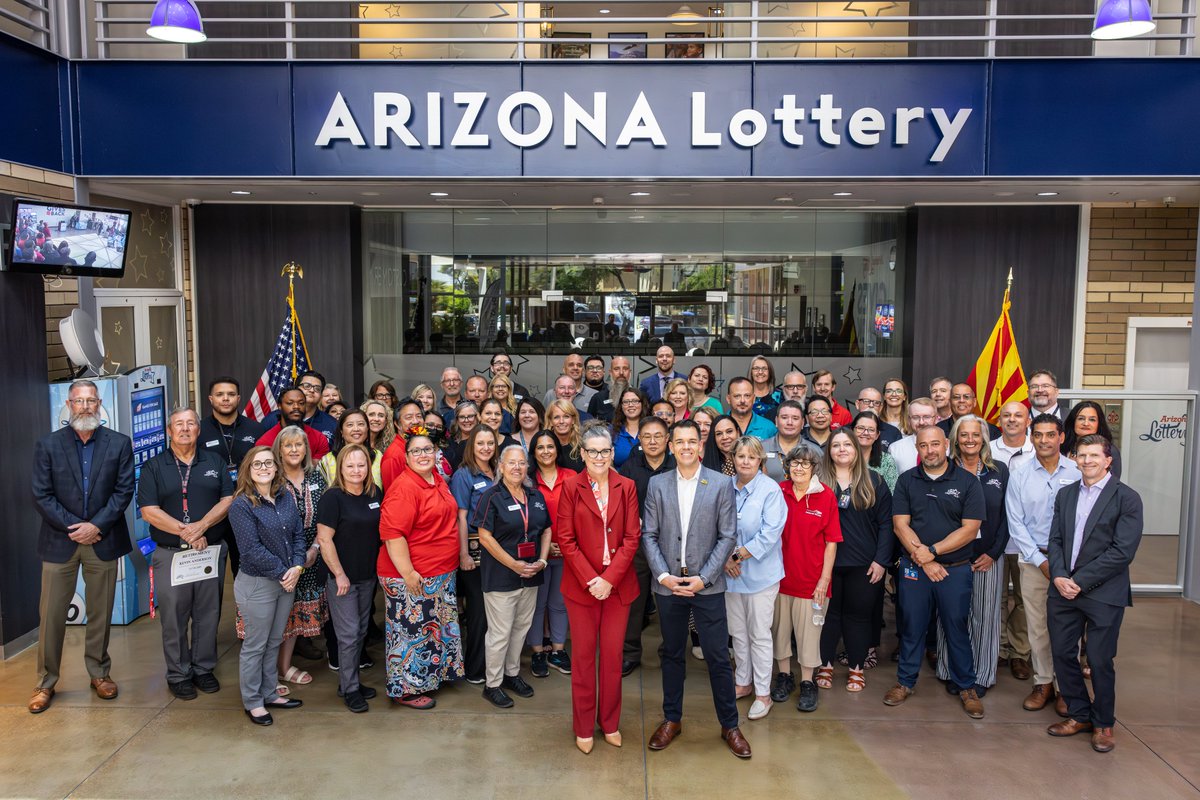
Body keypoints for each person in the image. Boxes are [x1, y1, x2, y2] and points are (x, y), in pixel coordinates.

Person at [642, 420, 750, 758]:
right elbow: (649, 535)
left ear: (701, 446)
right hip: (669, 587)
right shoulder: (657, 484)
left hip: (708, 586)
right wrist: (664, 576)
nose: (686, 447)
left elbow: (727, 536)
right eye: (680, 441)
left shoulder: (720, 483)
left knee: (718, 657)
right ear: (671, 446)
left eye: (692, 441)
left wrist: (705, 577)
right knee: (673, 654)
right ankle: (671, 719)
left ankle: (730, 725)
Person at [29, 380, 135, 714]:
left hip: (103, 539)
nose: (85, 406)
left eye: (91, 400)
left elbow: (123, 491)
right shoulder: (48, 445)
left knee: (101, 613)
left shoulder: (119, 443)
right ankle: (45, 682)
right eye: (79, 401)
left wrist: (96, 526)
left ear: (99, 404)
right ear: (69, 405)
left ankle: (99, 673)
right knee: (51, 615)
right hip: (60, 541)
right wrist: (76, 528)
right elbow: (41, 494)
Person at [1045, 435, 1143, 754]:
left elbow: (1122, 551)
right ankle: (1079, 714)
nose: (1087, 460)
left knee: (1100, 660)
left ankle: (1103, 723)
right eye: (1082, 455)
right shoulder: (1066, 494)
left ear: (1108, 460)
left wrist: (1079, 580)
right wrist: (1059, 575)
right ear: (1075, 458)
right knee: (1062, 653)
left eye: (1094, 455)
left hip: (1104, 592)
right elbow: (1055, 540)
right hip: (1063, 590)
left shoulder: (1127, 498)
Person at [885, 426, 986, 719]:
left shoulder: (967, 482)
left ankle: (966, 686)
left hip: (955, 570)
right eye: (923, 445)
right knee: (912, 626)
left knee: (957, 627)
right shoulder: (907, 480)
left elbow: (970, 529)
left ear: (946, 445)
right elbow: (900, 525)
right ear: (917, 448)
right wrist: (925, 560)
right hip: (915, 569)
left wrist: (933, 551)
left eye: (935, 444)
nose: (930, 450)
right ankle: (905, 682)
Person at [556, 424, 642, 754]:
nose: (599, 457)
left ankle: (609, 722)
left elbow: (632, 537)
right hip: (582, 587)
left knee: (612, 656)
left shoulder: (626, 486)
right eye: (592, 451)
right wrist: (593, 579)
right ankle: (583, 727)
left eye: (605, 450)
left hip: (617, 587)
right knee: (582, 658)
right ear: (582, 453)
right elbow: (566, 539)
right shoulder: (570, 487)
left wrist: (609, 579)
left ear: (612, 452)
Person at [139, 408, 234, 700]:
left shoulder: (214, 462)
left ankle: (203, 669)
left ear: (198, 429)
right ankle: (178, 674)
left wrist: (202, 526)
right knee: (174, 617)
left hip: (209, 552)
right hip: (171, 553)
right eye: (178, 424)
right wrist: (188, 532)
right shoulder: (154, 466)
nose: (184, 429)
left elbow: (228, 499)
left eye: (190, 423)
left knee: (208, 613)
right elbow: (149, 511)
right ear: (169, 431)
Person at [378, 429, 465, 708]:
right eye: (416, 451)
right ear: (406, 457)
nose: (423, 455)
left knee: (432, 631)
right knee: (411, 634)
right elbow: (393, 535)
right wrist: (408, 573)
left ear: (436, 452)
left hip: (440, 572)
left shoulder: (436, 479)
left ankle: (431, 677)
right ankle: (406, 689)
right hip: (413, 575)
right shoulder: (404, 488)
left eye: (428, 449)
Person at [1006, 414, 1082, 714]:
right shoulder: (1020, 474)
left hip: (1072, 563)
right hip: (1033, 560)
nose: (1044, 440)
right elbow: (1016, 522)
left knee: (1068, 627)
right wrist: (1040, 561)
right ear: (1031, 437)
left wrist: (1065, 562)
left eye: (1051, 435)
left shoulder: (1077, 471)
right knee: (1037, 626)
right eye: (1038, 435)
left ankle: (1066, 687)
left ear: (1061, 437)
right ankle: (1043, 682)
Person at [228, 446, 306, 726]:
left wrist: (297, 567)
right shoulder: (241, 505)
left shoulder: (285, 497)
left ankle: (270, 692)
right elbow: (251, 551)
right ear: (248, 470)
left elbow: (298, 535)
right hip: (258, 584)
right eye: (257, 464)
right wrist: (286, 572)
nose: (264, 468)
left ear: (276, 467)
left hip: (286, 581)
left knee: (274, 640)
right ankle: (253, 701)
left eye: (269, 463)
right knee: (255, 645)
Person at [935, 416, 1010, 696]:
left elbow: (1008, 517)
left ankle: (981, 675)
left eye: (975, 435)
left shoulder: (998, 471)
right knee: (951, 617)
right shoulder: (944, 470)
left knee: (984, 618)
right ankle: (950, 670)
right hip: (952, 559)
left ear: (983, 439)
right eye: (963, 434)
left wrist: (993, 553)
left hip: (987, 558)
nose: (969, 440)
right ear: (955, 439)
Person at [473, 445, 552, 707]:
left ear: (527, 467)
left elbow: (546, 529)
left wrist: (542, 560)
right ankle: (492, 684)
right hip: (501, 577)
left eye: (521, 463)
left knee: (520, 629)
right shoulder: (491, 496)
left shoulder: (535, 495)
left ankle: (511, 674)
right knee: (500, 633)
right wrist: (514, 565)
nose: (517, 467)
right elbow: (485, 537)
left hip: (531, 574)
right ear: (501, 467)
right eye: (511, 462)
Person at [817, 429, 891, 694]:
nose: (842, 449)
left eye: (847, 444)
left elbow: (886, 525)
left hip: (864, 565)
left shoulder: (874, 481)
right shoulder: (818, 481)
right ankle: (825, 665)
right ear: (829, 451)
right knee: (827, 617)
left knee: (858, 618)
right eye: (836, 445)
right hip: (826, 565)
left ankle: (856, 669)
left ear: (856, 449)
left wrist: (881, 561)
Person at [769, 440, 840, 713]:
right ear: (787, 466)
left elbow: (831, 542)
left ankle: (808, 683)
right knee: (780, 632)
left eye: (805, 463)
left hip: (812, 582)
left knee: (809, 636)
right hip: (779, 579)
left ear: (814, 468)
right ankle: (784, 677)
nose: (799, 468)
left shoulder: (826, 496)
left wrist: (824, 580)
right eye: (795, 463)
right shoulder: (779, 491)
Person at [723, 436, 786, 720]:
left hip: (761, 576)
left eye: (751, 457)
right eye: (741, 456)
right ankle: (743, 682)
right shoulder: (725, 488)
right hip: (731, 576)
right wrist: (726, 559)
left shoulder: (770, 490)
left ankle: (763, 694)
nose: (745, 461)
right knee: (738, 632)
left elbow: (770, 534)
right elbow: (715, 527)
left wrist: (736, 556)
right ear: (733, 459)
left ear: (760, 460)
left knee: (759, 634)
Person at [316, 444, 382, 712]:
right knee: (349, 634)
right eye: (350, 466)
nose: (356, 470)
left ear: (368, 467)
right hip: (342, 579)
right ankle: (351, 689)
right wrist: (339, 574)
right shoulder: (332, 498)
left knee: (361, 631)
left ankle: (349, 682)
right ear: (341, 468)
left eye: (361, 465)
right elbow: (324, 539)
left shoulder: (374, 493)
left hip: (368, 576)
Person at [263, 427, 328, 690]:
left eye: (298, 445)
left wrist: (315, 548)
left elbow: (327, 516)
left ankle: (284, 666)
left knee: (294, 617)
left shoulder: (316, 475)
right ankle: (268, 672)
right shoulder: (271, 478)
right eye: (287, 445)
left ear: (306, 449)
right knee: (274, 617)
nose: (293, 450)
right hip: (279, 558)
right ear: (278, 449)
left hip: (311, 556)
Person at [617, 415, 675, 675]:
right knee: (633, 602)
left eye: (658, 436)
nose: (652, 441)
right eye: (647, 436)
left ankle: (670, 653)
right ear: (639, 439)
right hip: (638, 545)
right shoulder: (630, 467)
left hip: (671, 545)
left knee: (670, 604)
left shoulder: (677, 465)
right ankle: (630, 653)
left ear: (667, 439)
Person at [449, 425, 500, 686]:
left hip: (498, 550)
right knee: (478, 612)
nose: (485, 448)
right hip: (474, 552)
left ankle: (494, 664)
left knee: (495, 612)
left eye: (490, 443)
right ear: (472, 445)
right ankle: (474, 668)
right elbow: (461, 517)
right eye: (480, 443)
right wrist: (463, 554)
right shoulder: (464, 475)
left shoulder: (498, 470)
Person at [200, 376, 266, 575]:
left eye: (230, 394)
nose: (225, 399)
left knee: (244, 567)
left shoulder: (256, 429)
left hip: (248, 507)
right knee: (211, 571)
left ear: (238, 398)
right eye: (220, 394)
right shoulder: (199, 430)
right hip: (211, 509)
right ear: (211, 399)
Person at [528, 430, 576, 677]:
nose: (546, 451)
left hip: (567, 554)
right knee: (537, 606)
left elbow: (581, 515)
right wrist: (544, 548)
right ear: (533, 452)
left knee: (559, 604)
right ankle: (537, 652)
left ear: (557, 449)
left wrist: (567, 545)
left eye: (550, 446)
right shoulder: (527, 481)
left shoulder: (572, 477)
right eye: (540, 447)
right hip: (537, 556)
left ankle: (558, 650)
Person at [263, 371, 337, 448]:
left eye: (317, 388)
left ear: (321, 395)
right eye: (307, 386)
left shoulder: (332, 424)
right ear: (296, 388)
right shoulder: (272, 419)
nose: (312, 390)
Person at [256, 388, 330, 459]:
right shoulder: (264, 442)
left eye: (301, 403)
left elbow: (318, 467)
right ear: (279, 406)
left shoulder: (319, 439)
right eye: (290, 403)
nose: (296, 407)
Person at [319, 409, 381, 488]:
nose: (356, 429)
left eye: (361, 424)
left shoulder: (378, 456)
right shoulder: (327, 460)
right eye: (350, 425)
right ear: (341, 431)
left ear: (367, 428)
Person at [1063, 401, 1123, 480]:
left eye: (1092, 419)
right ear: (1073, 422)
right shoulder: (1061, 447)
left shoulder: (1110, 450)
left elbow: (1112, 482)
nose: (1086, 423)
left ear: (1099, 423)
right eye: (1081, 418)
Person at [887, 397, 939, 473]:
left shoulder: (947, 447)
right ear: (909, 420)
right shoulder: (895, 449)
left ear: (936, 419)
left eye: (926, 417)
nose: (921, 422)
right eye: (916, 417)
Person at [852, 410, 900, 491]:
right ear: (852, 430)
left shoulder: (886, 461)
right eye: (861, 428)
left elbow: (892, 492)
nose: (866, 433)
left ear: (877, 435)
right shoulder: (843, 457)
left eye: (871, 430)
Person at [937, 384, 1002, 440]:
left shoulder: (991, 431)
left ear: (974, 402)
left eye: (966, 397)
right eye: (956, 397)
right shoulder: (939, 429)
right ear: (950, 402)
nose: (961, 400)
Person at [761, 400, 803, 481]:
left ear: (802, 423)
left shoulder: (814, 451)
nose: (789, 422)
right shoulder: (760, 448)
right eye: (784, 417)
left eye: (795, 418)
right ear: (776, 421)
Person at [586, 355, 632, 423]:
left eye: (625, 369)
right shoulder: (598, 398)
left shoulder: (639, 397)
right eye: (616, 369)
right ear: (610, 373)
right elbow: (589, 425)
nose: (621, 373)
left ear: (630, 372)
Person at [611, 388, 651, 468]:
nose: (630, 405)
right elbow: (606, 462)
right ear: (621, 406)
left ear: (642, 404)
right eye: (626, 402)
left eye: (635, 401)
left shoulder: (652, 429)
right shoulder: (611, 432)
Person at [992, 401, 1034, 471]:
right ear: (999, 421)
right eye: (1006, 415)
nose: (1011, 419)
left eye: (1018, 415)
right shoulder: (987, 450)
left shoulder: (1038, 450)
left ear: (1028, 422)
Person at [546, 399, 585, 472]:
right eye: (556, 417)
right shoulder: (544, 447)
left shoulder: (584, 445)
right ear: (550, 421)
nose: (561, 421)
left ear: (573, 420)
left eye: (566, 416)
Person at [443, 400, 481, 470]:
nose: (466, 420)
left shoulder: (481, 441)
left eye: (470, 416)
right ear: (457, 419)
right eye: (462, 417)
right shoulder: (449, 441)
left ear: (477, 418)